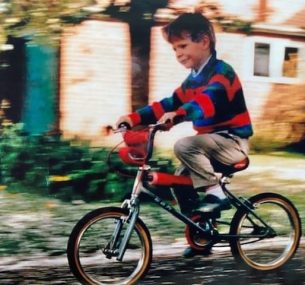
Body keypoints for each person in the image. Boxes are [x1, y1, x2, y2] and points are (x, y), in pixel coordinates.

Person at [116, 12, 253, 257]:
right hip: (211, 146)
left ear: (204, 41)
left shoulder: (223, 73)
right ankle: (201, 231)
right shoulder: (192, 80)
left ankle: (216, 195)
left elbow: (206, 102)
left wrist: (179, 115)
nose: (178, 53)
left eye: (183, 46)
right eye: (174, 49)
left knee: (184, 145)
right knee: (178, 181)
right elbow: (168, 103)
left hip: (232, 142)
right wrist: (134, 118)